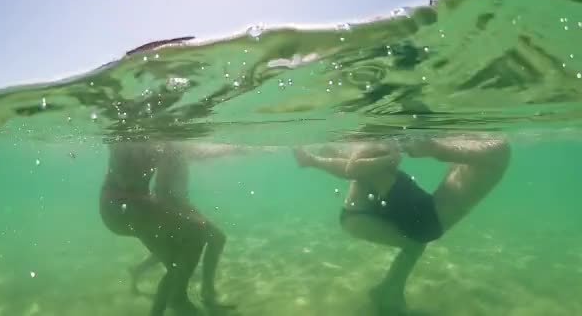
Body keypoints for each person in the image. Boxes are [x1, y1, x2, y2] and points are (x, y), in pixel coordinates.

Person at [293, 135, 510, 314]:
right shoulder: (481, 139)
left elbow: (440, 150)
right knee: (375, 166)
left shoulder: (497, 147)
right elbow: (446, 147)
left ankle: (314, 161)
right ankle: (389, 289)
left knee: (373, 167)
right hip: (429, 214)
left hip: (428, 216)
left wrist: (415, 145)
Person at [100, 140, 265, 316]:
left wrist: (233, 150)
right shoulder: (137, 141)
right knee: (195, 237)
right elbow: (129, 178)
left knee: (178, 260)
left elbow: (186, 153)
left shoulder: (157, 142)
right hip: (123, 207)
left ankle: (177, 299)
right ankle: (182, 298)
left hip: (129, 206)